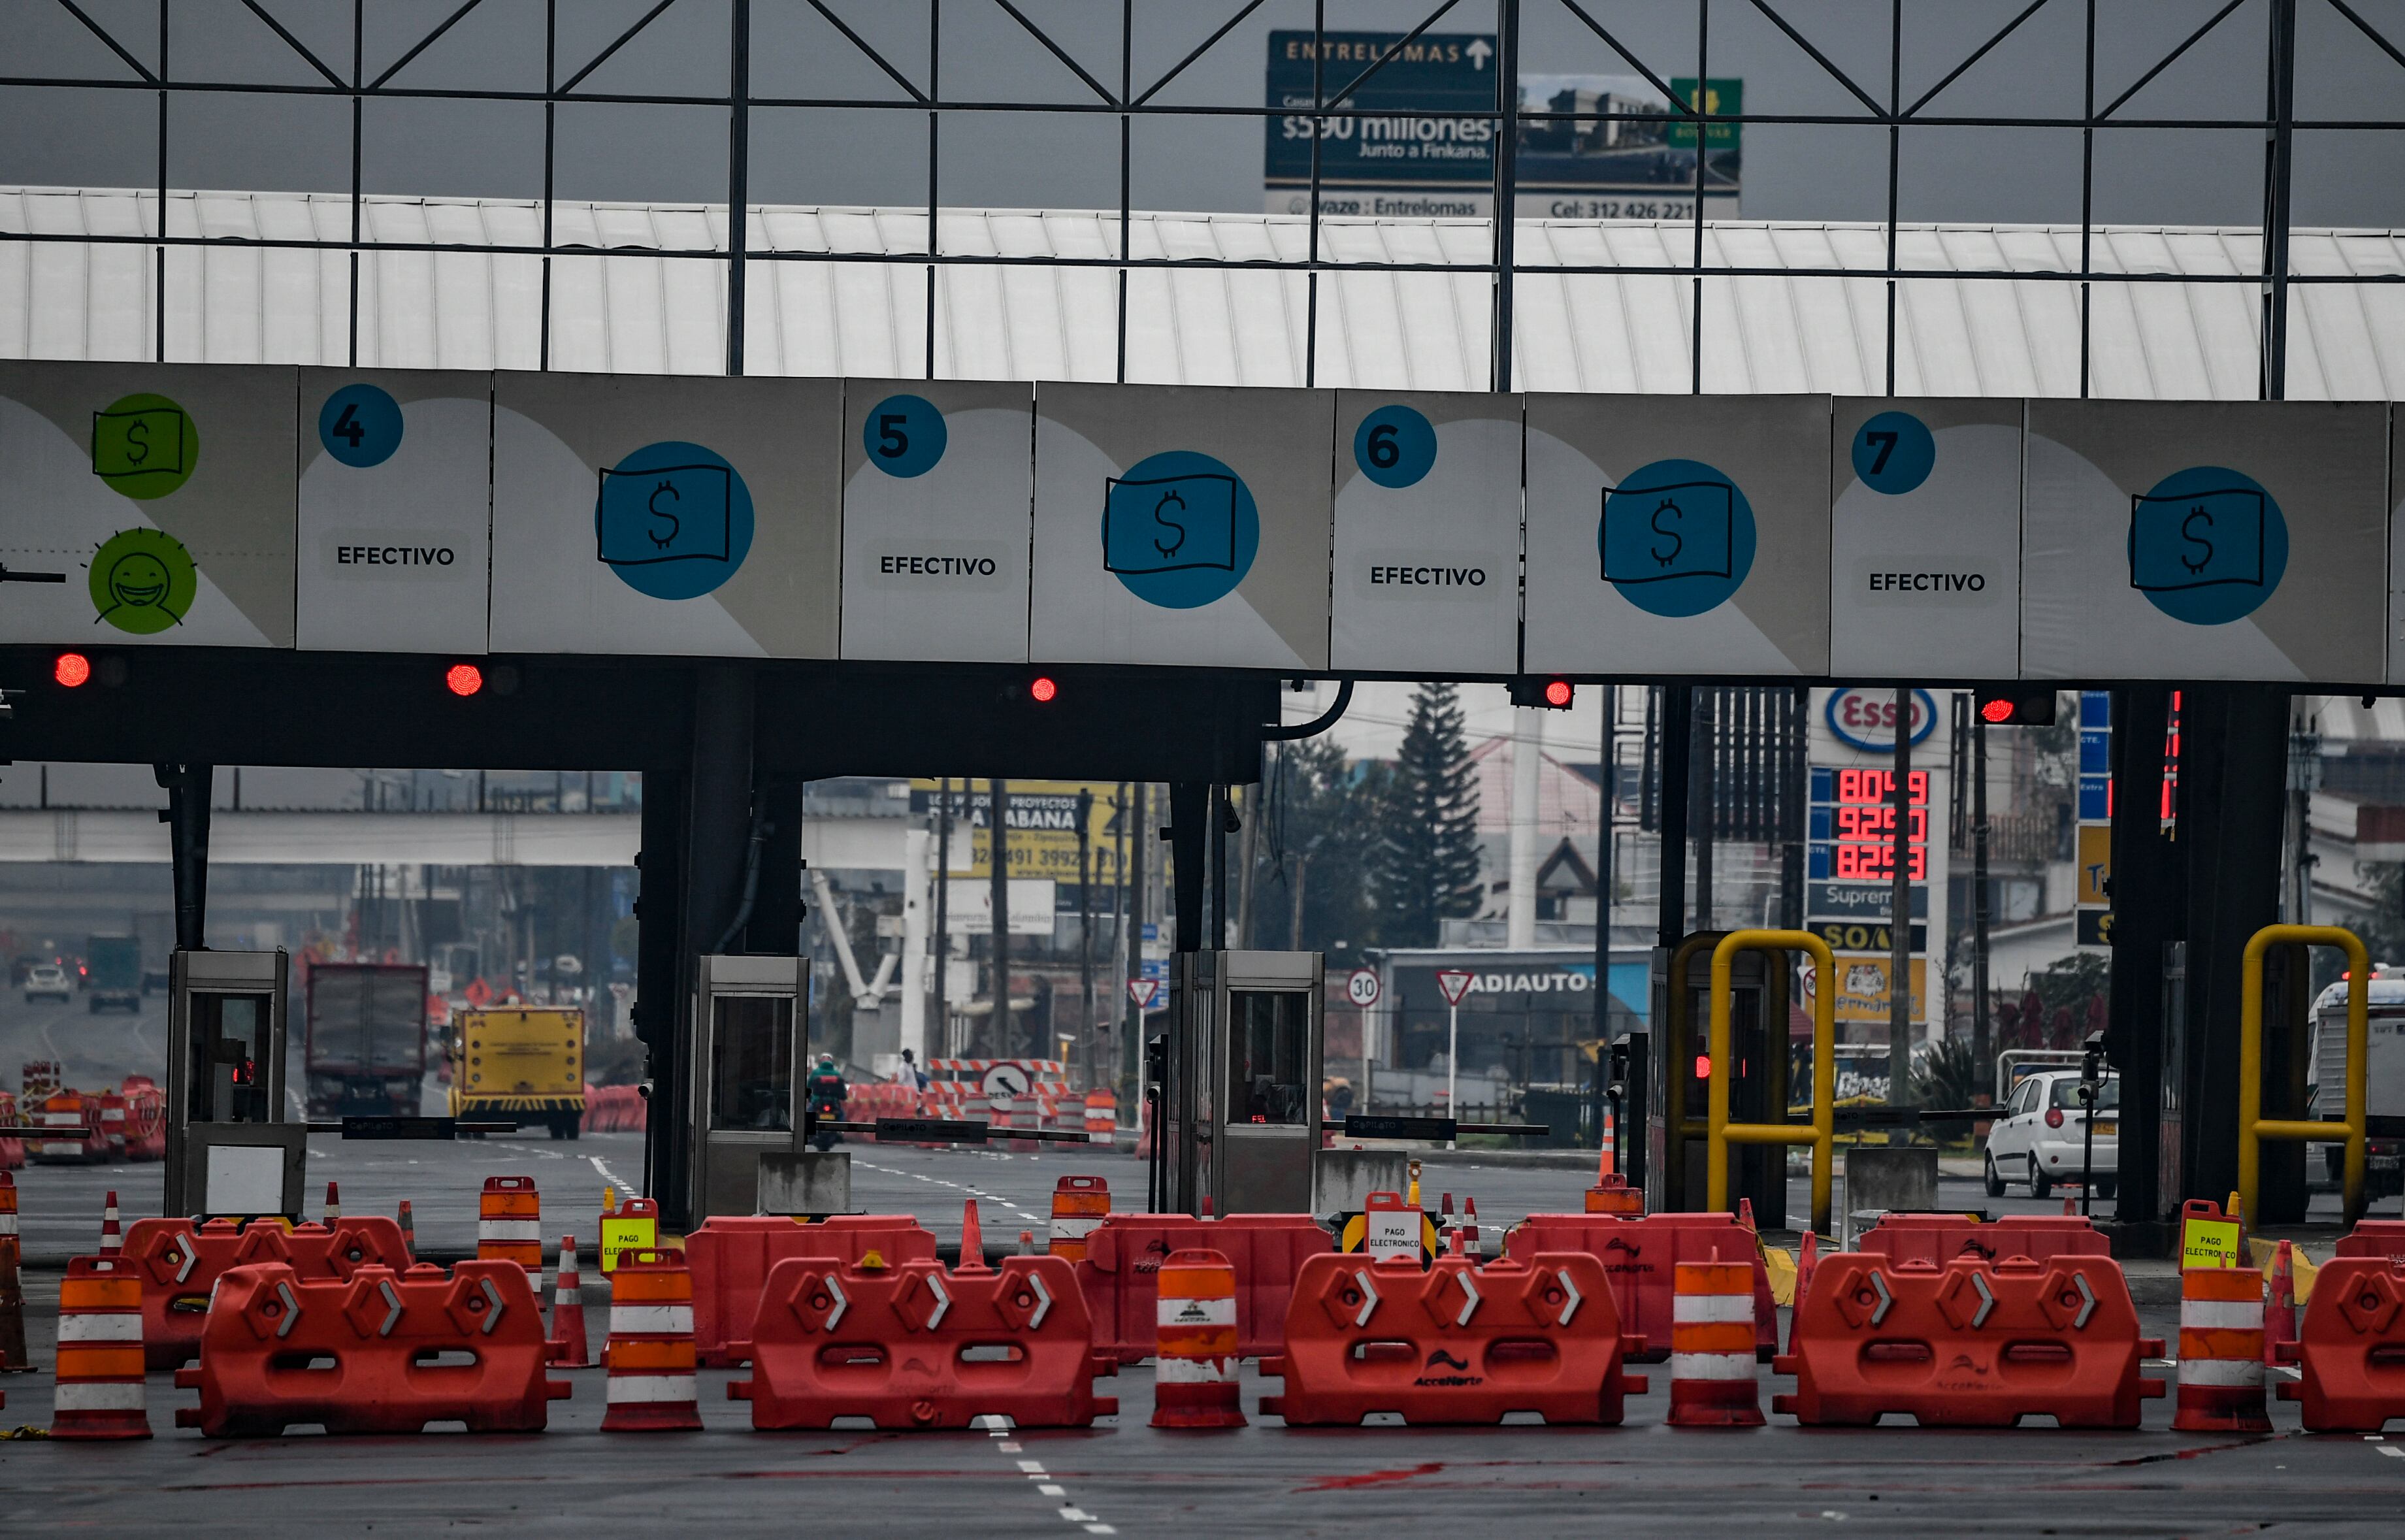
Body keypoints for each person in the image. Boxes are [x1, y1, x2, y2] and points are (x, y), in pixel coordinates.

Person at [806, 1053, 849, 1151]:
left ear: (821, 1061)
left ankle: (808, 1132)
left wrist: (809, 1097)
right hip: (833, 1102)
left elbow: (808, 1086)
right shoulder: (837, 1074)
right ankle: (840, 1131)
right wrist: (843, 1097)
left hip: (818, 1102)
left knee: (809, 1114)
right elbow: (842, 1090)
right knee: (841, 1114)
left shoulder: (816, 1073)